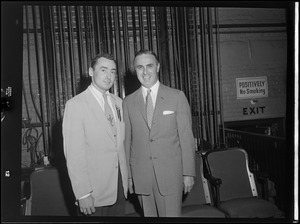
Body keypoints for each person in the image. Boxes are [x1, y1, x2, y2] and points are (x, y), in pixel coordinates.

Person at [123, 49, 196, 217]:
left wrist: (188, 173)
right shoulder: (128, 102)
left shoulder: (177, 97)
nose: (145, 71)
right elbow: (127, 142)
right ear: (135, 70)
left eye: (149, 66)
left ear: (158, 67)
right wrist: (128, 177)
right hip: (141, 175)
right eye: (140, 67)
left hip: (170, 175)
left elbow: (186, 138)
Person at [62, 53, 128, 216]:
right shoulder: (76, 105)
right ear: (91, 71)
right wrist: (83, 193)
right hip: (93, 193)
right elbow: (74, 154)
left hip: (119, 188)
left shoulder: (119, 103)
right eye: (103, 70)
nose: (109, 76)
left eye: (113, 71)